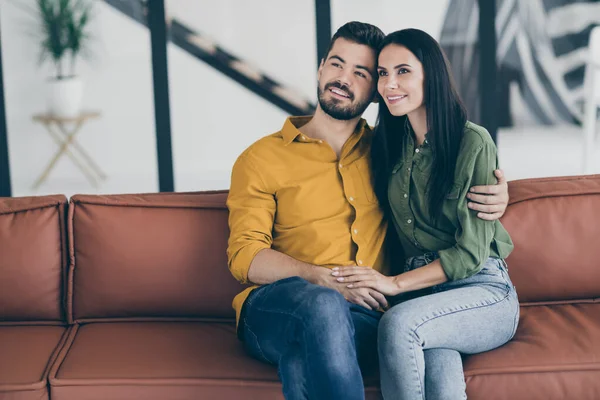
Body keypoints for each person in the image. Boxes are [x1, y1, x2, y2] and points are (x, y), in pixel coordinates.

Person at [226, 22, 510, 400]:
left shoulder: (387, 152)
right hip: (278, 305)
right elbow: (244, 255)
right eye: (337, 65)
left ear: (374, 93)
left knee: (300, 366)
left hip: (363, 315)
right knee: (323, 305)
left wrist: (498, 194)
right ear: (320, 68)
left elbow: (445, 184)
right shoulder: (260, 158)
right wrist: (318, 277)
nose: (343, 79)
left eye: (361, 73)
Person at [332, 28, 520, 400]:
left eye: (403, 71)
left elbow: (470, 254)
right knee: (439, 371)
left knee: (399, 325)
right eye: (382, 73)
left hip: (482, 289)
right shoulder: (385, 143)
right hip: (427, 298)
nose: (389, 84)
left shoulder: (473, 141)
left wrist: (394, 283)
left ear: (430, 75)